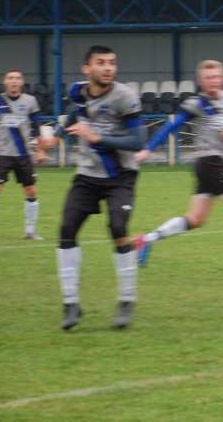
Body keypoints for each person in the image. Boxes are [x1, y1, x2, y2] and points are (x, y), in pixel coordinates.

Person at [133, 60, 223, 285]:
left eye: (217, 77)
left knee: (195, 219)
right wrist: (148, 149)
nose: (214, 81)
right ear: (201, 82)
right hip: (210, 161)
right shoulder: (196, 103)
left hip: (213, 164)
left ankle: (147, 240)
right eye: (209, 78)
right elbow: (171, 126)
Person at [53, 46, 147, 330]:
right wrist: (56, 136)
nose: (108, 68)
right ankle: (71, 304)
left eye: (112, 63)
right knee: (66, 231)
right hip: (87, 175)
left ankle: (126, 300)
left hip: (120, 175)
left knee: (118, 229)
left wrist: (95, 138)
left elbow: (138, 141)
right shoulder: (78, 92)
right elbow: (74, 112)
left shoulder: (125, 97)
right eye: (101, 63)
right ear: (87, 69)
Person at [0, 70, 53, 241]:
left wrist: (40, 151)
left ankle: (30, 231)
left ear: (22, 82)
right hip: (2, 153)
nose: (14, 81)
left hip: (24, 154)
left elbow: (36, 129)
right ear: (5, 82)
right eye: (10, 78)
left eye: (17, 78)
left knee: (31, 191)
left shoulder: (30, 101)